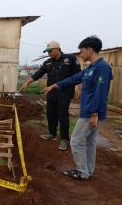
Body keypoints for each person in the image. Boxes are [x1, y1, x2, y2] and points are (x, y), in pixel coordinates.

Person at [43, 36, 113, 180]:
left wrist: (94, 114)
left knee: (75, 140)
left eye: (81, 50)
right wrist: (55, 85)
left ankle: (82, 171)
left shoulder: (102, 67)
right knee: (89, 142)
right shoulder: (91, 68)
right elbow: (74, 78)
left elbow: (101, 93)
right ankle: (88, 171)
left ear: (89, 49)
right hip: (87, 110)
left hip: (90, 112)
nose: (80, 54)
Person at [20, 41, 81, 150]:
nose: (49, 54)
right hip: (51, 93)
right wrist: (27, 82)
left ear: (57, 49)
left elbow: (78, 75)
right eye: (47, 52)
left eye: (50, 51)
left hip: (64, 93)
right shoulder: (48, 62)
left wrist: (79, 88)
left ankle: (64, 139)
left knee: (62, 115)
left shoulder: (70, 59)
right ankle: (52, 133)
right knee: (50, 114)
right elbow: (38, 74)